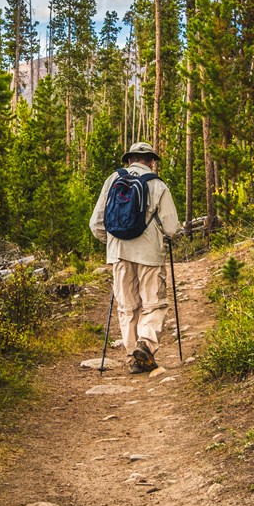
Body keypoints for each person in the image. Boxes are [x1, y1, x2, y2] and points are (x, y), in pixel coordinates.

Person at [89, 141, 181, 374]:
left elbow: (96, 223)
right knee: (153, 303)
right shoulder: (158, 185)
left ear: (129, 160)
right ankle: (146, 345)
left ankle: (133, 357)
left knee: (127, 306)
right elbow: (171, 227)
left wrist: (111, 243)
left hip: (119, 253)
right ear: (151, 161)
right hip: (149, 254)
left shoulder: (112, 180)